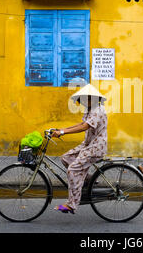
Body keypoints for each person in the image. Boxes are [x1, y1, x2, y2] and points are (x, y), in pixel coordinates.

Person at [51, 84, 107, 214]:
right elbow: (81, 124)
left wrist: (63, 133)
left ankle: (72, 204)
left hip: (96, 147)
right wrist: (62, 130)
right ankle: (89, 180)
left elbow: (84, 127)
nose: (81, 102)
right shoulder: (90, 109)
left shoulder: (98, 110)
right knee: (66, 158)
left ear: (91, 98)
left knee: (72, 169)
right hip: (88, 144)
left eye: (83, 99)